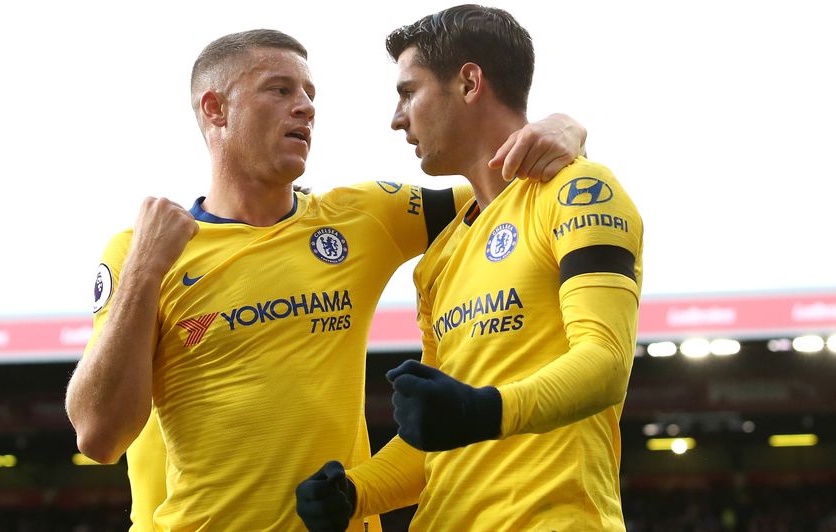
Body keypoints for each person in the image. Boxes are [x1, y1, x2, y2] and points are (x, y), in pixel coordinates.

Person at [65, 28, 586, 531]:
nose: (306, 106)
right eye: (280, 89)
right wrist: (144, 271)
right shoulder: (144, 250)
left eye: (310, 93)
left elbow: (507, 188)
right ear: (215, 108)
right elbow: (99, 436)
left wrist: (566, 130)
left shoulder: (361, 218)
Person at [296, 5, 643, 531]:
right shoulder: (440, 254)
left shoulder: (580, 191)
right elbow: (435, 434)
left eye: (408, 92)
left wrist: (483, 411)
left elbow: (606, 363)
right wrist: (355, 491)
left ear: (469, 81)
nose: (397, 117)